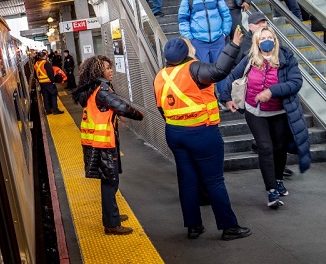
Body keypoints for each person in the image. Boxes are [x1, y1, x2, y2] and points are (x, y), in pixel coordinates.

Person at [154, 34, 252, 241]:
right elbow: (219, 71)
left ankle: (194, 226)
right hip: (201, 133)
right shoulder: (194, 69)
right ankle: (229, 227)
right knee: (214, 181)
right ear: (186, 53)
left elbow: (161, 108)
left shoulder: (160, 75)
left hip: (174, 133)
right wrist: (234, 45)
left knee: (187, 182)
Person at [221, 26, 309, 208]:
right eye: (262, 39)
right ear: (257, 42)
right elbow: (232, 77)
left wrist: (271, 91)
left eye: (269, 37)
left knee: (279, 147)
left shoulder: (286, 58)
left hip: (279, 112)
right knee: (265, 147)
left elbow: (295, 82)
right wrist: (226, 97)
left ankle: (277, 179)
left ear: (275, 40)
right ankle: (271, 191)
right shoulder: (250, 59)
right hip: (255, 112)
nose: (266, 41)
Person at [72, 55, 144, 235]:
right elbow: (122, 106)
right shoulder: (102, 89)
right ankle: (111, 224)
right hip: (102, 143)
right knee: (110, 182)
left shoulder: (91, 88)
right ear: (98, 71)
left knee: (110, 179)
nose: (111, 70)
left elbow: (106, 108)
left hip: (95, 141)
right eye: (107, 68)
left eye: (110, 67)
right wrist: (140, 115)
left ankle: (113, 215)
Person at [178, 0, 232, 67]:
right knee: (204, 72)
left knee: (221, 69)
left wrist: (224, 32)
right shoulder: (188, 0)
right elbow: (183, 21)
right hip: (199, 42)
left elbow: (226, 14)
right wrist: (190, 38)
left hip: (218, 40)